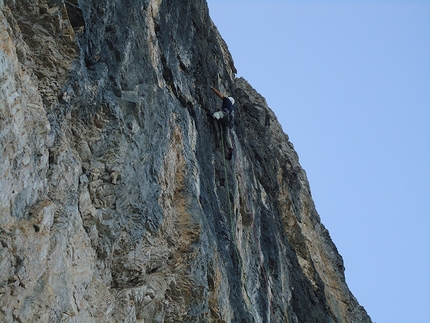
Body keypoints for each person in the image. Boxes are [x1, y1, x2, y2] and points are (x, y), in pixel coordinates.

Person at [210, 86, 235, 160]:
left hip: (225, 115)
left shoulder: (227, 100)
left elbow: (219, 94)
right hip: (229, 122)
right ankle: (230, 148)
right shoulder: (232, 109)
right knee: (226, 135)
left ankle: (214, 117)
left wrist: (213, 88)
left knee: (219, 114)